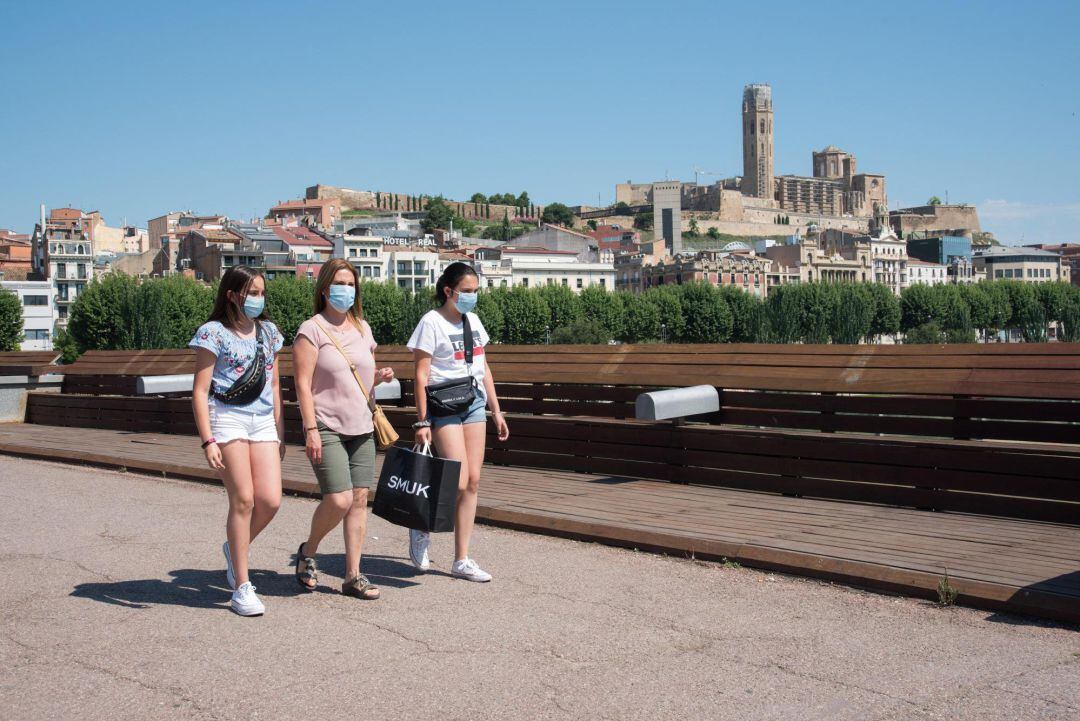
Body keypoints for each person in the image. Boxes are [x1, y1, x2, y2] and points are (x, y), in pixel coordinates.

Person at [292, 259, 394, 599]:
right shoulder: (311, 330)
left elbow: (362, 374)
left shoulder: (362, 328)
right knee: (338, 498)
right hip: (326, 423)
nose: (345, 290)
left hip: (361, 424)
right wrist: (310, 430)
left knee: (359, 500)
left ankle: (353, 575)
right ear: (324, 288)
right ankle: (309, 551)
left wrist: (379, 378)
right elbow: (303, 385)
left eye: (351, 284)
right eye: (339, 283)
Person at [407, 262, 510, 582]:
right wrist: (422, 420)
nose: (472, 297)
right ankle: (421, 526)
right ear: (448, 291)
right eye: (466, 291)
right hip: (443, 404)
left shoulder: (474, 321)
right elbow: (421, 374)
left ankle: (461, 559)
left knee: (474, 481)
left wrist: (496, 409)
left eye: (475, 291)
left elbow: (484, 368)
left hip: (474, 402)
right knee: (458, 479)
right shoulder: (431, 322)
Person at [190, 266, 285, 617]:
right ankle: (242, 586)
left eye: (261, 292)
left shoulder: (270, 333)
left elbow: (274, 385)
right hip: (227, 418)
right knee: (243, 498)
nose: (258, 299)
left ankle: (234, 548)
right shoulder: (213, 333)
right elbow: (200, 392)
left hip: (262, 421)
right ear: (232, 295)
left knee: (271, 500)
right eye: (251, 293)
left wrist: (280, 431)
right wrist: (208, 441)